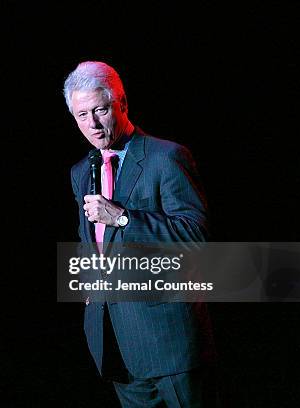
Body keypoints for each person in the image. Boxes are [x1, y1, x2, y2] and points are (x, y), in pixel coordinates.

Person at [65, 61, 218, 407]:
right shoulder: (80, 172)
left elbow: (195, 236)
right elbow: (88, 241)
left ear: (122, 104)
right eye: (81, 115)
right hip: (115, 342)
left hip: (170, 342)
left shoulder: (166, 157)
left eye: (100, 110)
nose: (92, 124)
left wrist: (123, 218)